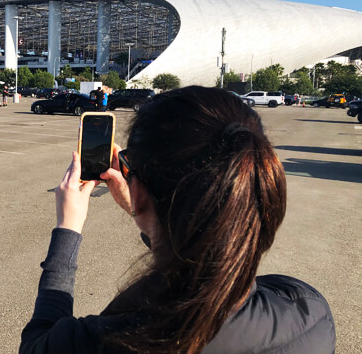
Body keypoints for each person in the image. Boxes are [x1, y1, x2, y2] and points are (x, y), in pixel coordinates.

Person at [20, 86, 335, 354]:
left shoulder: (112, 338)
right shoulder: (310, 313)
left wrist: (68, 228)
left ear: (140, 191)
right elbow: (210, 260)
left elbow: (38, 343)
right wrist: (142, 210)